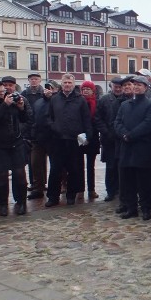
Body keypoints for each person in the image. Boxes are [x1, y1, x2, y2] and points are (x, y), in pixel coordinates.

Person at [0, 79, 32, 216]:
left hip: (16, 143)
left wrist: (21, 107)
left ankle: (21, 202)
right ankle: (3, 203)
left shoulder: (11, 101)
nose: (2, 94)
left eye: (3, 91)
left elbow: (23, 118)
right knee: (1, 176)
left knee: (20, 174)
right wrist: (4, 105)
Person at [114, 76, 151, 220]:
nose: (137, 87)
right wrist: (124, 134)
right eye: (136, 85)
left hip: (142, 147)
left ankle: (145, 208)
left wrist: (131, 135)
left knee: (144, 180)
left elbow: (148, 123)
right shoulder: (125, 105)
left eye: (141, 85)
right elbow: (117, 122)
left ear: (146, 88)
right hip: (126, 147)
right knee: (128, 180)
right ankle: (131, 207)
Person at [46, 73, 92, 207]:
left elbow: (86, 119)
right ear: (61, 84)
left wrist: (88, 135)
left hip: (74, 140)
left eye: (69, 83)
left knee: (74, 169)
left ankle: (71, 195)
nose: (67, 85)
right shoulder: (54, 99)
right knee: (55, 169)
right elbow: (49, 117)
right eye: (65, 83)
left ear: (73, 84)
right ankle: (52, 197)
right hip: (58, 139)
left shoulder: (80, 99)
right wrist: (54, 126)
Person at [94, 78, 126, 202]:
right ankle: (110, 191)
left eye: (120, 87)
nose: (117, 89)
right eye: (115, 86)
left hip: (122, 139)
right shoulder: (104, 100)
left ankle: (121, 189)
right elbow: (98, 118)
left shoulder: (126, 99)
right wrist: (106, 132)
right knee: (111, 166)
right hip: (109, 139)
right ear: (111, 86)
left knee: (122, 166)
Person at [21, 72, 45, 196]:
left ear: (40, 80)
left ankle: (43, 183)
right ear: (29, 81)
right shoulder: (24, 94)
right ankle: (35, 184)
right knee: (34, 160)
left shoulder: (45, 93)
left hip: (44, 129)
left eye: (36, 79)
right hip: (31, 130)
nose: (34, 81)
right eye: (31, 79)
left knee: (41, 160)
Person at [80, 80, 101, 199]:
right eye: (84, 89)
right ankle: (80, 188)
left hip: (93, 138)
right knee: (78, 165)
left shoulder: (96, 103)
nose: (86, 91)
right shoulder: (78, 102)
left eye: (88, 89)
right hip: (80, 137)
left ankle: (91, 189)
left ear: (93, 90)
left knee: (90, 166)